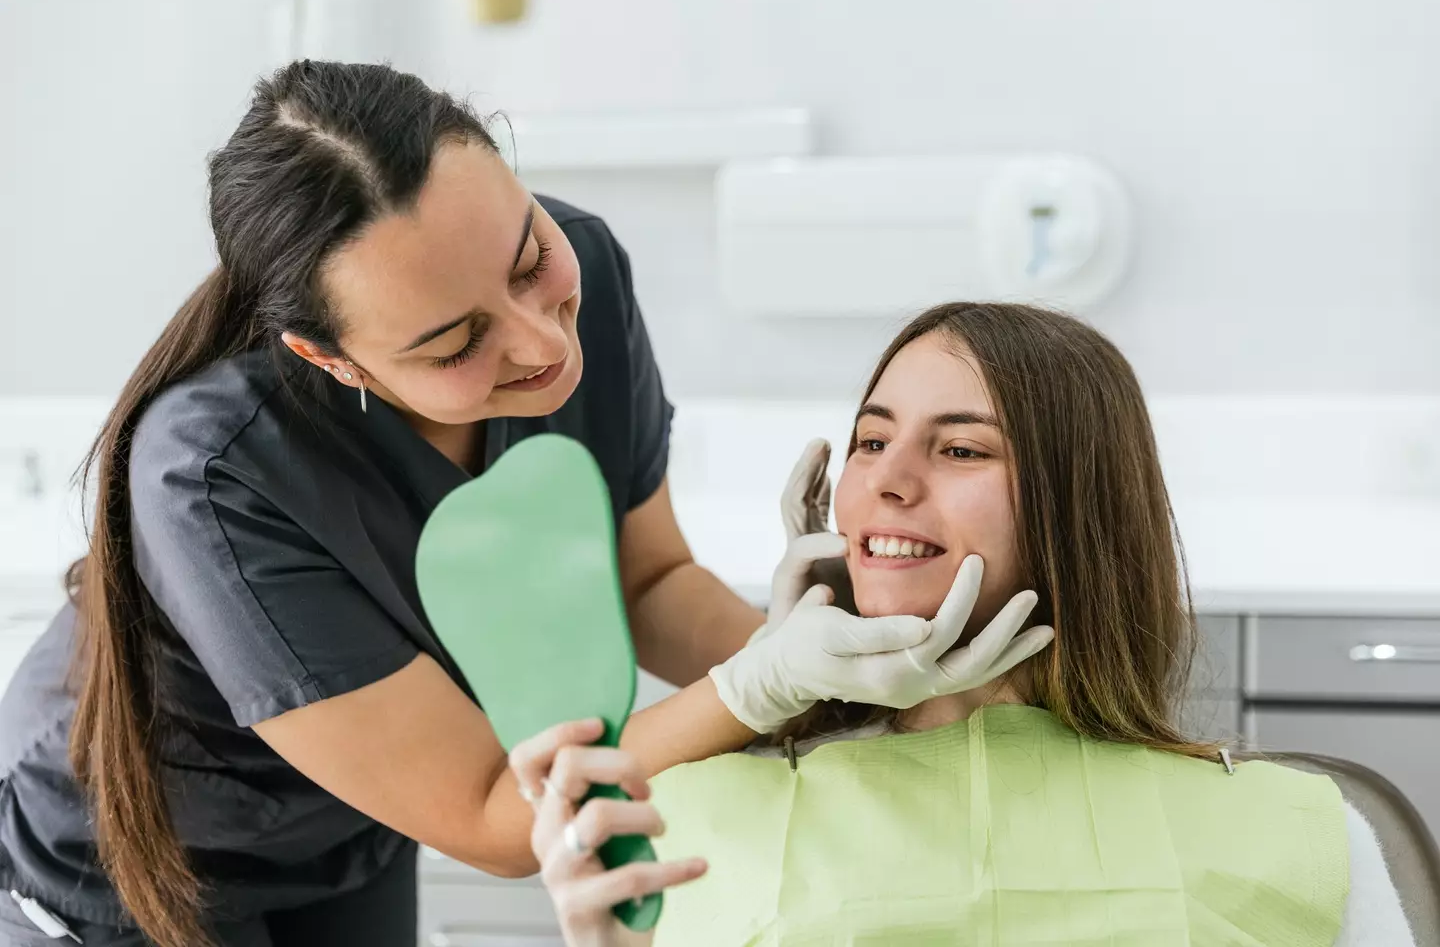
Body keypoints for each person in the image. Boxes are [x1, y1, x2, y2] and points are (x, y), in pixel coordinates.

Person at [0, 66, 1049, 947]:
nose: (543, 345)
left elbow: (647, 581)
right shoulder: (216, 472)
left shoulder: (586, 260)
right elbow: (495, 816)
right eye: (456, 345)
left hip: (352, 836)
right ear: (328, 357)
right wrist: (767, 684)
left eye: (527, 260)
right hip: (131, 861)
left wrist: (841, 677)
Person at [513, 302, 1417, 947]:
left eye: (960, 449)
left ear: (1077, 511)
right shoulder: (687, 820)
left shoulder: (1303, 832)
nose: (890, 480)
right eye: (871, 440)